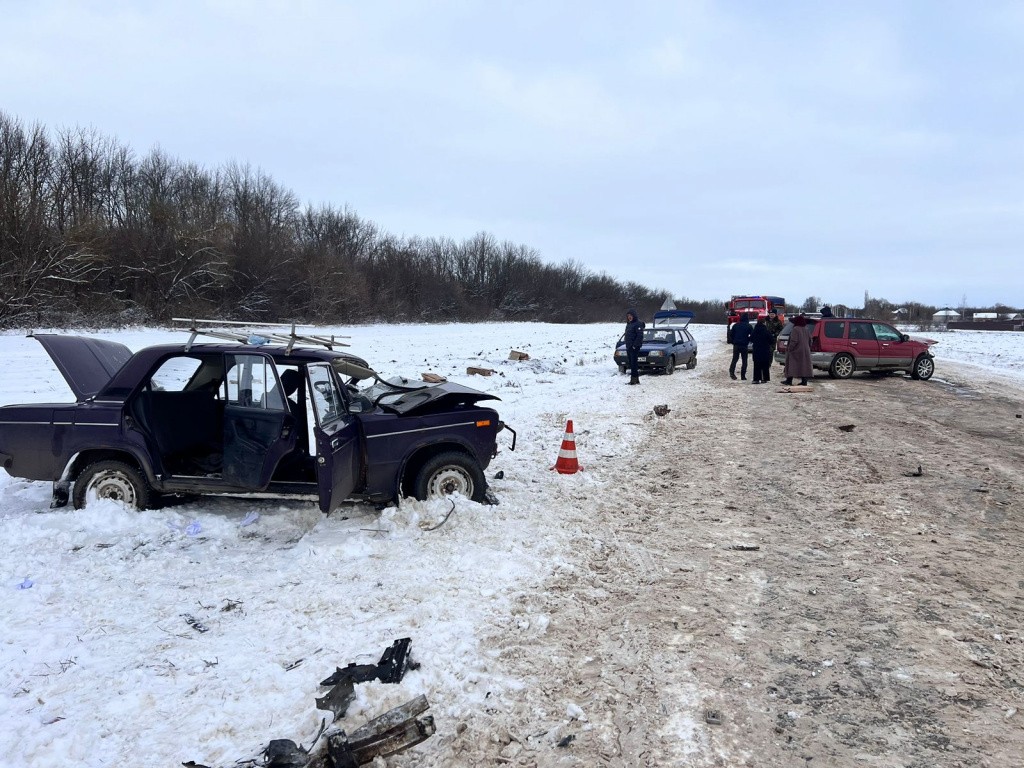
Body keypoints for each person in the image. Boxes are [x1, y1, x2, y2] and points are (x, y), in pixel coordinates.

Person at [783, 314, 813, 386]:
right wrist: (808, 347)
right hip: (805, 350)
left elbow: (794, 341)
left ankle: (789, 380)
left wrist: (790, 349)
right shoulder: (806, 329)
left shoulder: (795, 329)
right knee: (804, 366)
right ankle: (804, 381)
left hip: (796, 351)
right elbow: (810, 340)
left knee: (791, 365)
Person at [750, 316, 774, 384]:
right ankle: (764, 378)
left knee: (757, 365)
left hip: (757, 350)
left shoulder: (755, 330)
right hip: (765, 350)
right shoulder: (766, 331)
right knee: (765, 365)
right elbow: (771, 340)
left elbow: (751, 339)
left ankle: (756, 379)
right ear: (764, 323)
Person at [624, 308, 644, 385]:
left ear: (634, 316)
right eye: (628, 315)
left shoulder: (638, 324)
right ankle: (636, 379)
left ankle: (634, 380)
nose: (629, 317)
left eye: (630, 315)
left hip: (634, 347)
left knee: (634, 363)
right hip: (629, 346)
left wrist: (635, 346)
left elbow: (639, 336)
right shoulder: (629, 324)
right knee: (631, 363)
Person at [728, 313, 752, 380]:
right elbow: (752, 335)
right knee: (744, 361)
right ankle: (743, 376)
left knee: (734, 359)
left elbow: (731, 335)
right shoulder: (749, 326)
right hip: (744, 345)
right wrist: (748, 340)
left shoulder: (735, 325)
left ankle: (732, 373)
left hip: (736, 345)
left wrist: (733, 341)